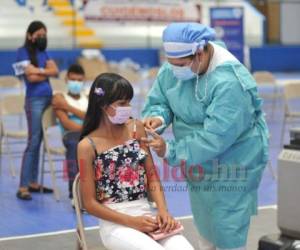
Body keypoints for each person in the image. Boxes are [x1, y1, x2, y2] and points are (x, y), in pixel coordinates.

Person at [141, 22, 269, 250]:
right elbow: (161, 99)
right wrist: (158, 118)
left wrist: (170, 150)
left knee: (227, 223)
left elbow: (215, 137)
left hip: (234, 158)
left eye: (180, 64)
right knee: (204, 217)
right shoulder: (175, 65)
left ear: (200, 53)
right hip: (196, 161)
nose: (175, 70)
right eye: (171, 64)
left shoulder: (229, 82)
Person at [77, 73, 194, 250]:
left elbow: (152, 176)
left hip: (147, 214)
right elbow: (90, 204)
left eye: (129, 102)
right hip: (115, 223)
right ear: (103, 105)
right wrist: (132, 222)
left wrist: (163, 212)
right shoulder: (87, 146)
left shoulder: (136, 128)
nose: (128, 108)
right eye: (122, 104)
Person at [16, 20, 59, 200]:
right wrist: (44, 71)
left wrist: (38, 70)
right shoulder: (21, 52)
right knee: (33, 142)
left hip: (48, 99)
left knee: (40, 141)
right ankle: (23, 186)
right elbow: (31, 78)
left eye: (44, 34)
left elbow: (55, 70)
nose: (42, 38)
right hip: (34, 100)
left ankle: (33, 182)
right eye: (39, 35)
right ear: (30, 35)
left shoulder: (43, 51)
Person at [52, 64, 88, 203]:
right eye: (73, 80)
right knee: (75, 144)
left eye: (79, 80)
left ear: (84, 80)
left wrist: (68, 107)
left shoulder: (88, 97)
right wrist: (87, 121)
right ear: (67, 79)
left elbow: (94, 117)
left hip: (88, 134)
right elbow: (66, 123)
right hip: (70, 135)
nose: (76, 83)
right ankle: (75, 194)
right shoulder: (59, 98)